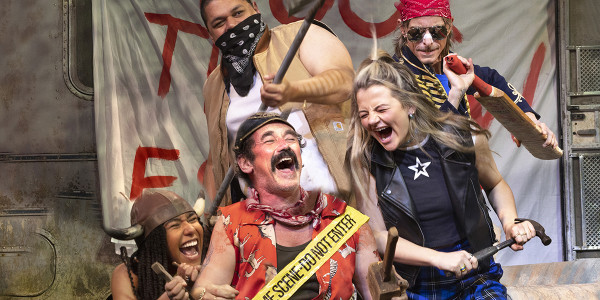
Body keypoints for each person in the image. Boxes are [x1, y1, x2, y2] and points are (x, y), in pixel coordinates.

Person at [347, 51, 535, 299]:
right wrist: (439, 259)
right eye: (364, 114)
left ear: (410, 105)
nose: (372, 120)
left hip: (475, 273)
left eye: (381, 109)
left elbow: (495, 184)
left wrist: (510, 221)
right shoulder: (367, 161)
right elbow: (380, 237)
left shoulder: (463, 136)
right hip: (416, 283)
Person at [183, 112, 381, 299]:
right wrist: (200, 294)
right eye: (269, 140)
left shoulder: (346, 219)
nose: (284, 145)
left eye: (291, 139)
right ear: (245, 163)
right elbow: (205, 289)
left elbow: (379, 292)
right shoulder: (231, 222)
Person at [200, 0, 354, 207]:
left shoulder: (300, 36)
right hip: (268, 223)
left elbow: (344, 82)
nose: (232, 26)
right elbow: (216, 160)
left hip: (338, 202)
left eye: (238, 13)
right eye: (219, 23)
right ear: (209, 33)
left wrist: (293, 91)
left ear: (255, 7)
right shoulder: (213, 85)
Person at [392, 0, 557, 149]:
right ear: (403, 29)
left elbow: (491, 80)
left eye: (437, 31)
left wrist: (528, 122)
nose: (427, 41)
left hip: (463, 173)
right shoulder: (391, 78)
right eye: (416, 33)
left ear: (449, 27)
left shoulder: (452, 65)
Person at [110, 189, 204, 300]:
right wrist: (170, 296)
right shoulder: (127, 274)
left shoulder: (211, 257)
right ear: (154, 242)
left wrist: (198, 291)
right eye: (175, 225)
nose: (190, 229)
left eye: (193, 219)